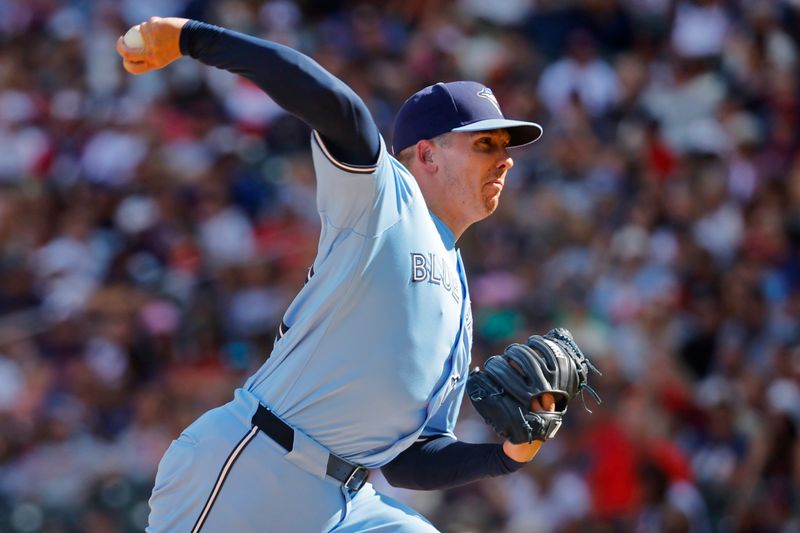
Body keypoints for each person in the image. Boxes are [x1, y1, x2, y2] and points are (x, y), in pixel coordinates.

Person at [117, 16, 554, 533]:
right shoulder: (384, 199)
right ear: (427, 154)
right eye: (485, 144)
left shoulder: (458, 291)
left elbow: (408, 458)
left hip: (347, 502)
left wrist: (505, 456)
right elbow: (337, 105)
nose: (505, 161)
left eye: (506, 147)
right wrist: (193, 38)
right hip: (257, 466)